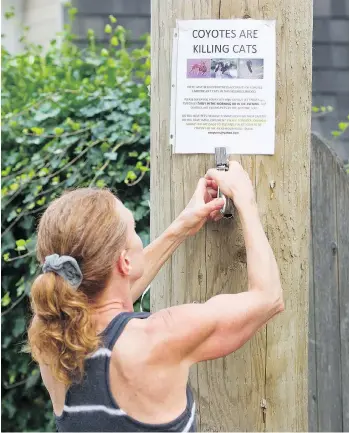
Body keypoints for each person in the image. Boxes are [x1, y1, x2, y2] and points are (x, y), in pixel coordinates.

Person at [27, 161, 284, 432]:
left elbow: (104, 293)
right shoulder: (159, 338)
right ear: (124, 262)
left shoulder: (50, 337)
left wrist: (181, 228)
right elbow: (268, 297)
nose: (139, 239)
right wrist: (246, 200)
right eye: (134, 230)